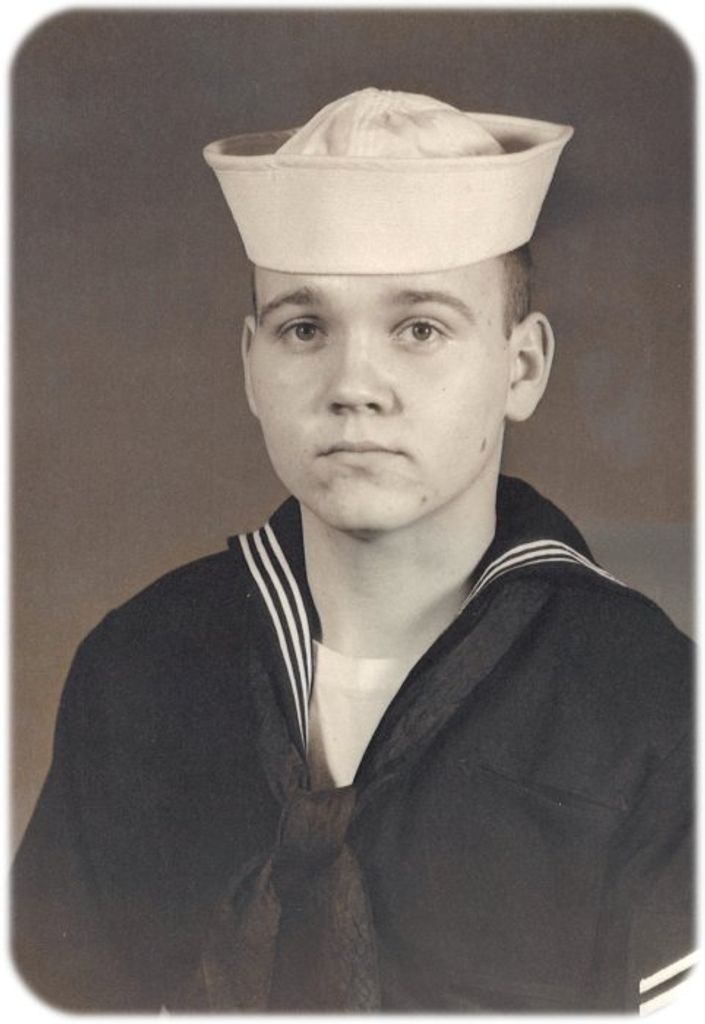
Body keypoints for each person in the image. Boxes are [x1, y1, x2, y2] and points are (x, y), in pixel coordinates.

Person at [12, 88, 693, 1013]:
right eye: (305, 329)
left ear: (521, 367)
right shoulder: (139, 667)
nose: (353, 386)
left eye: (420, 329)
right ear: (251, 366)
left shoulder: (652, 703)